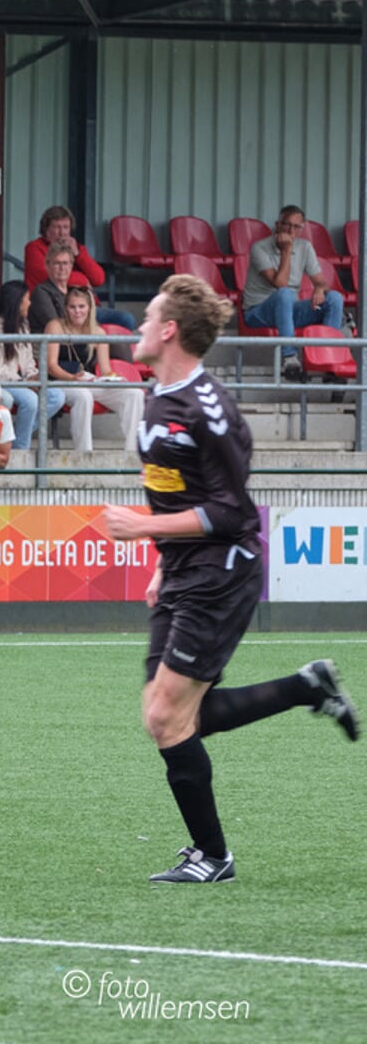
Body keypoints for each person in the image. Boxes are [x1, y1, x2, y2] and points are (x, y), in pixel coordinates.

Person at [101, 273, 356, 884]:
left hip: (223, 573)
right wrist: (164, 558)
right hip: (186, 568)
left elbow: (232, 513)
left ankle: (213, 857)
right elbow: (177, 490)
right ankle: (307, 686)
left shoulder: (209, 412)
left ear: (169, 331)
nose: (136, 327)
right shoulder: (158, 396)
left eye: (147, 318)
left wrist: (144, 531)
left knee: (167, 717)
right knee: (175, 715)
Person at [242, 205, 344, 381]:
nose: (291, 230)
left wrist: (319, 288)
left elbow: (320, 281)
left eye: (297, 227)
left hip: (288, 311)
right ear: (277, 225)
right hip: (258, 311)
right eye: (287, 225)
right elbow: (280, 283)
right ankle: (290, 358)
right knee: (285, 294)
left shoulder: (305, 247)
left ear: (302, 228)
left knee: (334, 298)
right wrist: (287, 250)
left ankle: (328, 359)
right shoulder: (259, 248)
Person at [46, 284, 146, 457]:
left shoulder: (98, 331)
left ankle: (133, 453)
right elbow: (51, 366)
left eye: (82, 306)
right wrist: (71, 378)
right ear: (66, 308)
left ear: (89, 308)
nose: (77, 311)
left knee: (134, 393)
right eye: (72, 307)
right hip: (60, 380)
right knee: (83, 396)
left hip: (86, 378)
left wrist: (113, 378)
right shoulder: (55, 326)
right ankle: (85, 454)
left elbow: (105, 369)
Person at [0, 279, 65, 450]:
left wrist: (32, 376)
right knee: (31, 400)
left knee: (57, 396)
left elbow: (28, 362)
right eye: (27, 299)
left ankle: (13, 440)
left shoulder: (22, 326)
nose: (30, 303)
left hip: (19, 382)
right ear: (16, 302)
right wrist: (26, 384)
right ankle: (21, 448)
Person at [23, 206, 136, 329]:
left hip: (86, 306)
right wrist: (83, 280)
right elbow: (51, 276)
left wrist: (78, 254)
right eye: (57, 227)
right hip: (56, 305)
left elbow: (99, 279)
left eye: (65, 227)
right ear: (46, 229)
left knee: (127, 319)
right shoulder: (34, 248)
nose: (62, 233)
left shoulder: (76, 248)